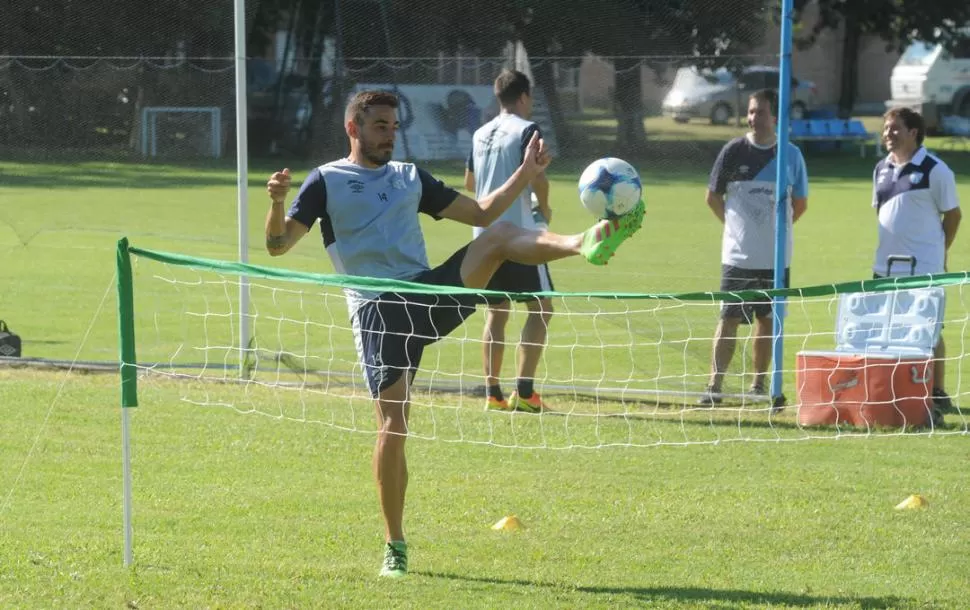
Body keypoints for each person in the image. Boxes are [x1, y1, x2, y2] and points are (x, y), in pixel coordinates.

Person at [264, 89, 644, 578]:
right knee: (394, 426)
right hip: (378, 310)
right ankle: (394, 545)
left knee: (499, 236)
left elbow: (483, 212)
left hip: (426, 296)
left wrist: (526, 175)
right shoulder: (327, 181)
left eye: (394, 126)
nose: (390, 135)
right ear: (353, 129)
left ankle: (583, 242)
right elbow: (278, 246)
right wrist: (277, 204)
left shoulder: (408, 177)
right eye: (380, 126)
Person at [700, 88, 809, 404]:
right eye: (750, 112)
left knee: (766, 320)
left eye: (760, 112)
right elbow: (712, 197)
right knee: (728, 318)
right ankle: (714, 387)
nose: (753, 118)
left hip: (775, 260)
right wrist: (736, 229)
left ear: (775, 117)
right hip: (737, 257)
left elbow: (799, 205)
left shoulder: (791, 155)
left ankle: (759, 386)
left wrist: (775, 233)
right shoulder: (733, 151)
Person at [464, 70, 554, 413]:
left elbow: (470, 184)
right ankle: (527, 393)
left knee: (496, 313)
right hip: (519, 233)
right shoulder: (527, 130)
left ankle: (493, 394)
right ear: (524, 97)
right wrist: (543, 208)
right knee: (542, 308)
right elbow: (539, 179)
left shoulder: (479, 133)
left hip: (483, 237)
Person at [872, 107, 961, 412]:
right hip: (884, 267)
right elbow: (881, 213)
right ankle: (896, 389)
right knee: (885, 329)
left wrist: (939, 252)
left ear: (913, 133)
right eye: (886, 128)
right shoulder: (880, 168)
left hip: (923, 268)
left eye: (895, 128)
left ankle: (937, 392)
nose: (888, 134)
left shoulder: (936, 170)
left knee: (928, 330)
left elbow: (953, 215)